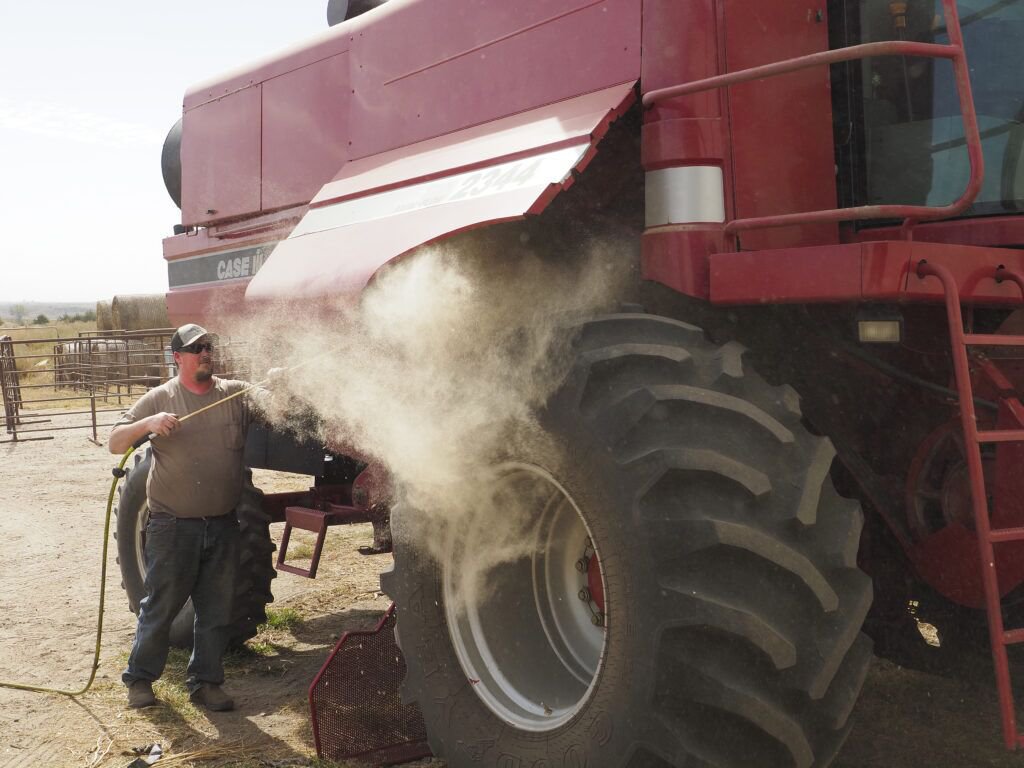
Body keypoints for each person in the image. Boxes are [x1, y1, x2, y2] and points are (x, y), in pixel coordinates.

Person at [108, 323, 272, 711]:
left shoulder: (233, 393)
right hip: (172, 526)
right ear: (177, 357)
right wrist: (148, 424)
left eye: (208, 346)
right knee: (161, 605)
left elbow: (271, 403)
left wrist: (275, 385)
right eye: (195, 348)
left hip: (223, 523)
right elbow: (116, 442)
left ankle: (206, 683)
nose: (205, 353)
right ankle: (140, 680)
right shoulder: (161, 398)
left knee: (217, 611)